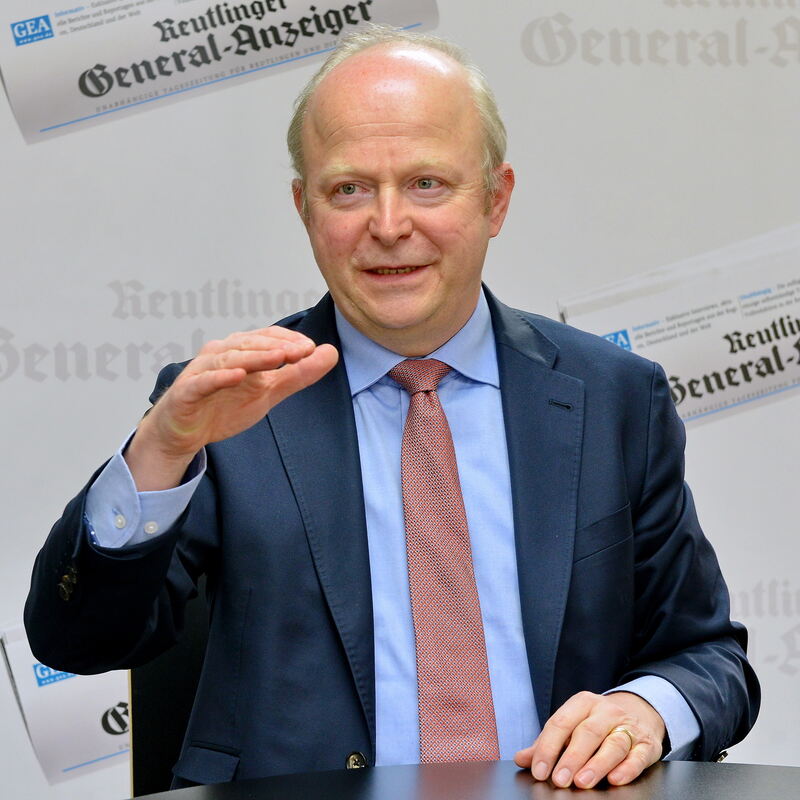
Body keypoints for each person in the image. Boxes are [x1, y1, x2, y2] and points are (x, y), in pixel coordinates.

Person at [25, 26, 758, 790]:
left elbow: (708, 658)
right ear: (305, 208)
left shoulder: (613, 398)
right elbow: (76, 640)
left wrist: (647, 709)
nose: (387, 224)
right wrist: (160, 450)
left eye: (427, 183)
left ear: (496, 199)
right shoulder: (233, 404)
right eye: (348, 189)